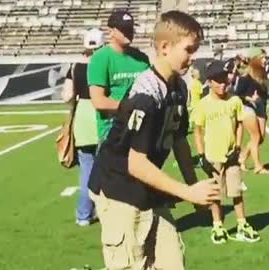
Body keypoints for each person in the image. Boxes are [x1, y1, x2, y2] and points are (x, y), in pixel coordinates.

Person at [88, 10, 219, 270]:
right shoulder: (146, 94)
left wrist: (194, 187)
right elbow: (135, 164)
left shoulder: (179, 88)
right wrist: (186, 191)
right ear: (165, 47)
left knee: (173, 262)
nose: (193, 58)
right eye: (189, 50)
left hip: (146, 188)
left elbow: (179, 139)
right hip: (118, 188)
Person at [193, 61, 261, 244]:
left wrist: (237, 148)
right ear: (209, 82)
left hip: (231, 155)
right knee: (215, 194)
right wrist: (201, 156)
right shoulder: (203, 105)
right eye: (218, 80)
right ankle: (218, 226)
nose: (222, 84)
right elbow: (198, 132)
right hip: (212, 156)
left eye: (224, 79)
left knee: (236, 190)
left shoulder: (234, 101)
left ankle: (242, 224)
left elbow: (239, 124)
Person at [61, 28, 104, 226]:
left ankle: (84, 214)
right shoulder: (105, 63)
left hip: (83, 118)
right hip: (103, 115)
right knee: (108, 168)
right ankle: (105, 210)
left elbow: (67, 96)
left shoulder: (74, 67)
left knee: (87, 168)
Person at [88, 9, 150, 143]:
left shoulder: (142, 59)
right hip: (112, 133)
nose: (129, 32)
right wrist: (128, 106)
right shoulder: (100, 58)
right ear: (111, 31)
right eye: (123, 29)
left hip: (140, 131)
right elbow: (98, 101)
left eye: (130, 28)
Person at [236, 48, 269, 174]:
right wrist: (249, 98)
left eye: (265, 58)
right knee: (255, 136)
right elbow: (237, 94)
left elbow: (263, 94)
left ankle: (242, 158)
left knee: (260, 138)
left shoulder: (262, 73)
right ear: (256, 59)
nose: (265, 60)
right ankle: (258, 166)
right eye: (263, 58)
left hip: (260, 107)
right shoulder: (247, 75)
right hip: (248, 108)